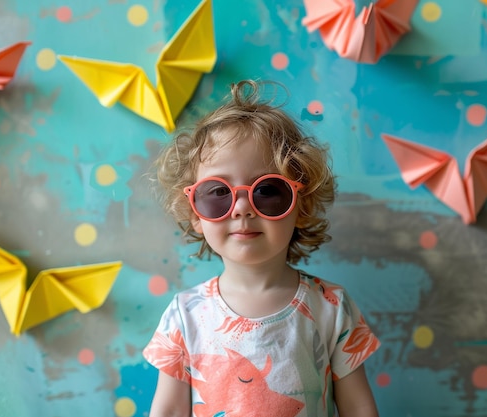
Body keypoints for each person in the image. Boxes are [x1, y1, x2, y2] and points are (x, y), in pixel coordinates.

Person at [143, 80, 381, 417]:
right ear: (195, 214)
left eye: (268, 190)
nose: (242, 208)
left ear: (302, 205)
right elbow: (167, 411)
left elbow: (358, 408)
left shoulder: (331, 308)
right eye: (218, 193)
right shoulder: (185, 315)